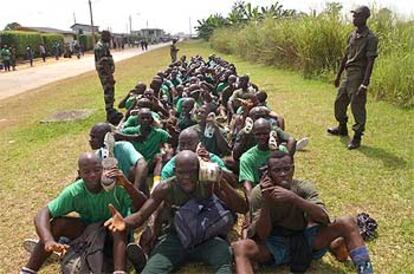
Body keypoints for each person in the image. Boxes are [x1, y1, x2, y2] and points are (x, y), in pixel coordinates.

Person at [104, 150, 248, 274]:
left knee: (224, 258)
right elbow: (141, 215)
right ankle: (147, 257)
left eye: (192, 172)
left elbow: (242, 208)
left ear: (200, 170)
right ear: (174, 171)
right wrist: (124, 222)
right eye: (181, 173)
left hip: (207, 237)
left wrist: (221, 182)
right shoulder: (165, 188)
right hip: (176, 238)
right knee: (151, 270)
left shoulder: (208, 183)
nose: (186, 177)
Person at [232, 151, 374, 274]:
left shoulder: (303, 187)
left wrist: (294, 198)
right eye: (277, 170)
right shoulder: (259, 193)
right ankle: (335, 246)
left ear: (293, 169)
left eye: (287, 169)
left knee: (347, 222)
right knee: (240, 247)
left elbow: (324, 218)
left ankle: (365, 270)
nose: (283, 174)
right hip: (273, 245)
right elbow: (263, 234)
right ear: (268, 173)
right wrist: (267, 201)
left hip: (304, 238)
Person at [20, 152, 147, 274]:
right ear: (80, 174)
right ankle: (29, 270)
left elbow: (143, 206)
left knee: (116, 225)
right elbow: (43, 213)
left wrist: (127, 185)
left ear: (103, 169)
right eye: (87, 172)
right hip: (89, 231)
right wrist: (47, 240)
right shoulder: (75, 191)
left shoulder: (117, 186)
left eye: (97, 170)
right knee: (58, 223)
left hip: (116, 234)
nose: (92, 175)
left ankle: (119, 270)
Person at [327, 6, 378, 150]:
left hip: (359, 75)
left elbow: (370, 62)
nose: (354, 19)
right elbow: (346, 56)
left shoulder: (371, 38)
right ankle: (342, 127)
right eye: (354, 16)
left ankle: (357, 136)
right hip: (348, 74)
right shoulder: (352, 35)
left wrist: (365, 83)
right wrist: (338, 75)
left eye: (357, 16)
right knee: (339, 102)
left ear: (365, 18)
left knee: (357, 106)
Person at [89, 123, 149, 195]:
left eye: (94, 137)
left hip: (129, 186)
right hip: (113, 191)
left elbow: (142, 164)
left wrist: (135, 190)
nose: (90, 141)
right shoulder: (98, 155)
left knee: (135, 171)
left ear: (105, 137)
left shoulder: (124, 146)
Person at [94, 30, 124, 125]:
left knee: (110, 91)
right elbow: (104, 62)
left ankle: (110, 109)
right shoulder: (100, 46)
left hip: (106, 73)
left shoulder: (103, 45)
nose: (110, 38)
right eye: (109, 36)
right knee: (108, 91)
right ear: (104, 36)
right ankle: (109, 112)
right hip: (105, 74)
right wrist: (110, 76)